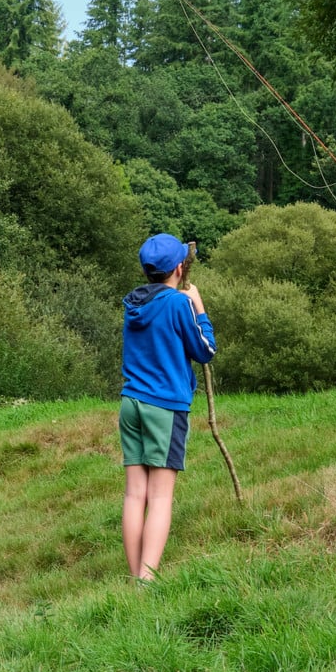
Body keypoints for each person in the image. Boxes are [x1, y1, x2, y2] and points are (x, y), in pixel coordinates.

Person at [120, 234, 216, 583]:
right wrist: (199, 308)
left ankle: (134, 576)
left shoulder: (132, 303)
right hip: (165, 407)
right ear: (179, 268)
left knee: (135, 493)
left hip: (130, 403)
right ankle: (146, 582)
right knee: (160, 497)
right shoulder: (179, 304)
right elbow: (205, 350)